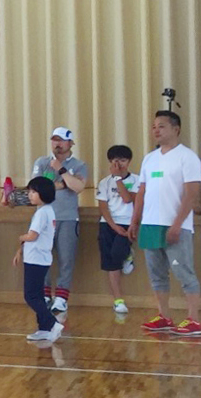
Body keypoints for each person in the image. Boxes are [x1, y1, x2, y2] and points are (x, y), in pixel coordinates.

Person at [131, 110, 201, 336]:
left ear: (176, 129)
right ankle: (164, 316)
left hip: (175, 226)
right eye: (154, 126)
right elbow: (142, 192)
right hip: (150, 225)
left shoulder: (187, 157)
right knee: (157, 274)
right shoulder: (149, 159)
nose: (156, 130)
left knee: (184, 272)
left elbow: (191, 194)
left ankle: (194, 319)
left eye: (161, 126)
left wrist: (177, 224)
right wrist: (135, 221)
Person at [31, 127, 89, 313]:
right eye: (54, 139)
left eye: (61, 140)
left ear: (70, 143)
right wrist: (65, 184)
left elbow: (78, 187)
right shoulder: (42, 162)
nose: (57, 144)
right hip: (44, 219)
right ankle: (45, 294)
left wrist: (61, 170)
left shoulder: (79, 165)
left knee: (66, 259)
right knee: (43, 256)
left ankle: (62, 298)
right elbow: (37, 188)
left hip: (68, 217)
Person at [14, 176, 62, 343]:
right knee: (38, 295)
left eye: (34, 192)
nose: (30, 195)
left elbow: (32, 236)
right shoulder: (46, 211)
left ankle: (52, 323)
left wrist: (21, 237)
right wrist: (20, 250)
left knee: (30, 296)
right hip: (39, 258)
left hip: (36, 259)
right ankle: (44, 328)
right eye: (30, 192)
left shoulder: (42, 212)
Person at [96, 144, 138, 314]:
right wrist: (113, 226)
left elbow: (128, 199)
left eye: (123, 160)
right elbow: (103, 207)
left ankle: (128, 254)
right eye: (115, 161)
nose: (119, 164)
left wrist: (118, 179)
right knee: (111, 262)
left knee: (118, 253)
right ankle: (118, 300)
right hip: (108, 224)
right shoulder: (104, 182)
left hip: (127, 222)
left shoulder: (137, 180)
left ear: (129, 161)